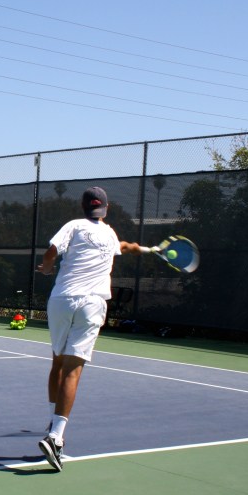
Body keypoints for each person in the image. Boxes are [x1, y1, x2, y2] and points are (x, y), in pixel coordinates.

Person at [35, 187, 146, 472]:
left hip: (61, 300)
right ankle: (56, 436)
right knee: (73, 369)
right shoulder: (109, 234)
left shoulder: (74, 226)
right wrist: (132, 246)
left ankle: (52, 420)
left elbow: (50, 252)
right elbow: (121, 245)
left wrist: (47, 268)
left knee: (57, 362)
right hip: (92, 304)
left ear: (84, 207)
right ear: (105, 208)